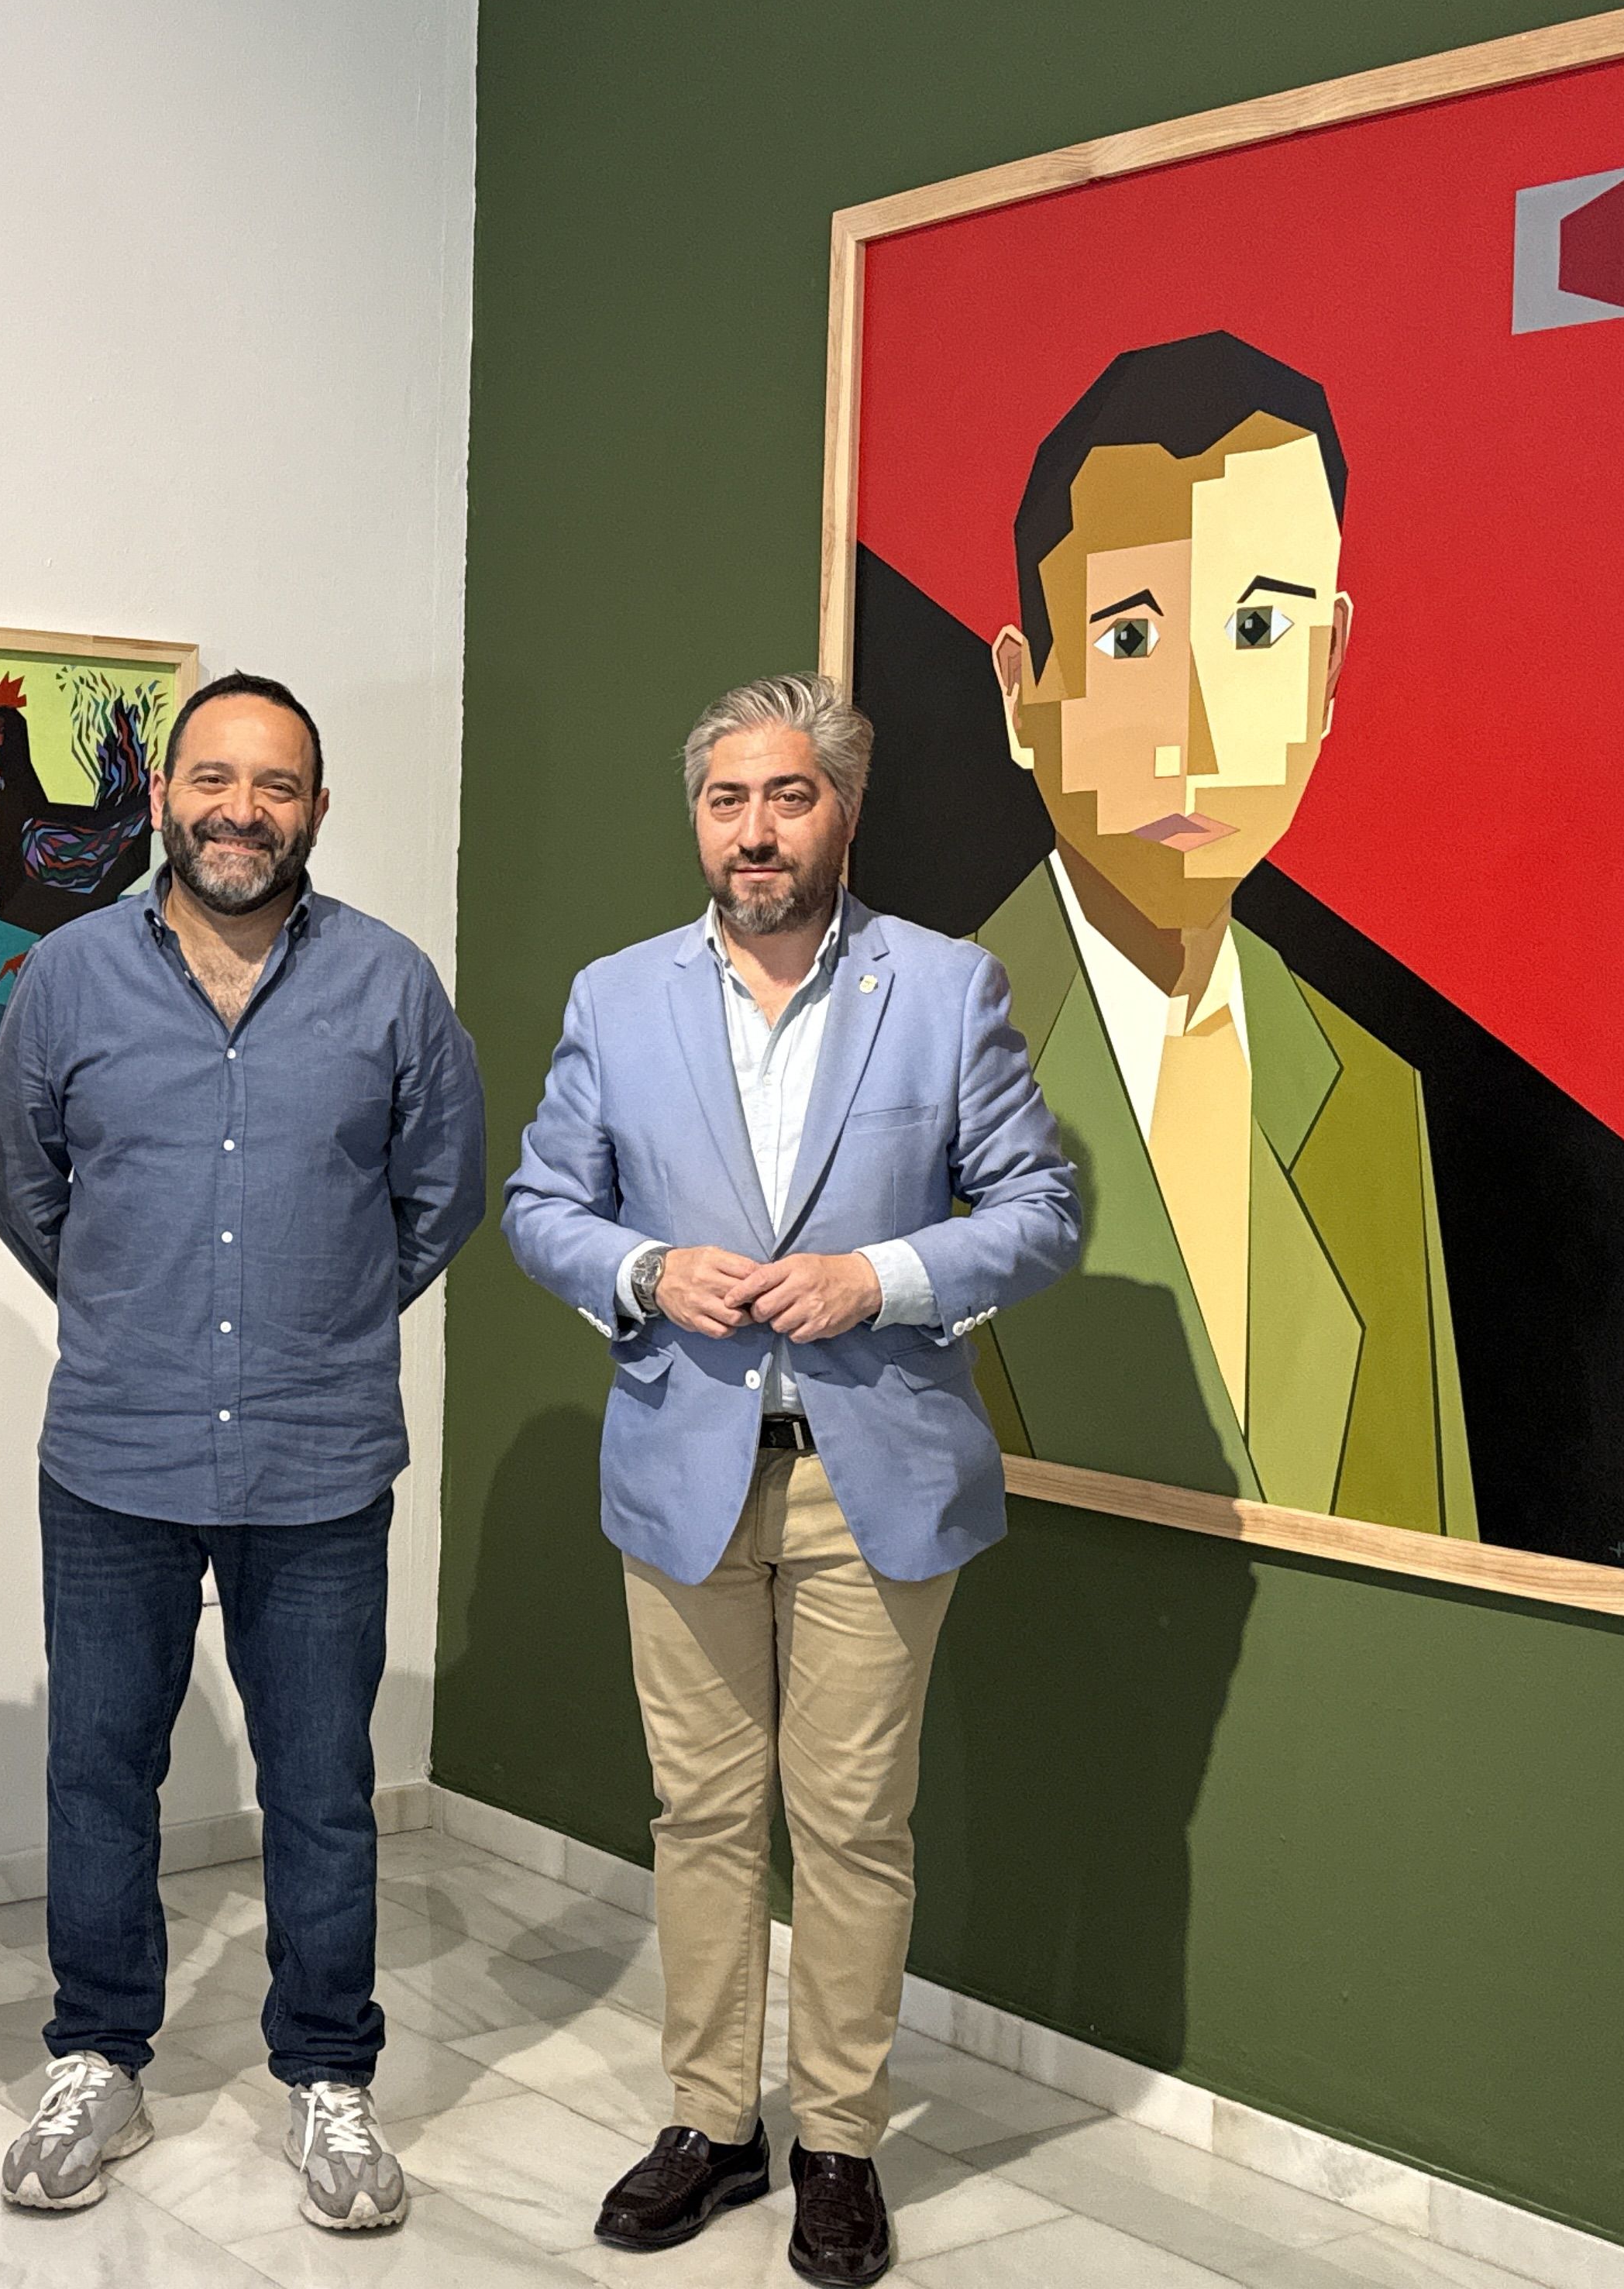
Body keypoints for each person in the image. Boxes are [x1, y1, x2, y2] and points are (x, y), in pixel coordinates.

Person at [504, 674, 1078, 2286]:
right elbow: (544, 1202)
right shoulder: (617, 996)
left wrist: (880, 1276)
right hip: (682, 1466)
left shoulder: (947, 988)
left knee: (851, 1826)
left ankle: (838, 2143)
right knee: (698, 1816)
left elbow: (1039, 1210)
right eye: (726, 801)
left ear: (842, 809)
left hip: (870, 1475)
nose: (754, 831)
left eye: (787, 797)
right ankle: (712, 2126)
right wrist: (639, 1269)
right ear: (698, 819)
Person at [0, 673, 485, 2234]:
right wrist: (142, 1309)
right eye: (212, 776)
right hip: (114, 1453)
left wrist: (312, 1315)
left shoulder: (393, 987)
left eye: (275, 785)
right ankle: (100, 2056)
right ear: (162, 797)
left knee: (324, 1788)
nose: (239, 808)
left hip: (320, 1457)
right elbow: (24, 1191)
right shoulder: (64, 981)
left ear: (316, 812)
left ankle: (329, 2078)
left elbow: (441, 1196)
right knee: (99, 1771)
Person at [978, 332, 1471, 1530]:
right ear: (1022, 693)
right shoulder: (904, 1050)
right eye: (1131, 639)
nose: (1193, 730)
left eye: (1258, 632)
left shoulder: (1364, 1091)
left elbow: (1425, 1527)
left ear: (1330, 666)